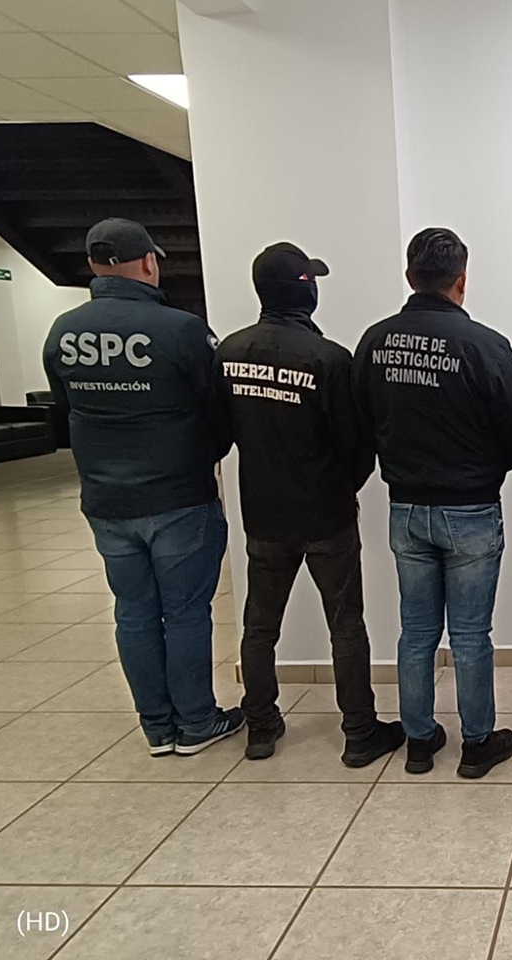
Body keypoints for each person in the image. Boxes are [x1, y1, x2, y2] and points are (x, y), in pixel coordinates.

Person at [42, 218, 239, 756]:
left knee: (132, 611)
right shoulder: (181, 330)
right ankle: (196, 722)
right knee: (185, 612)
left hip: (106, 500)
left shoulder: (63, 332)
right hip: (178, 496)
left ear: (92, 265)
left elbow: (64, 407)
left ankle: (157, 728)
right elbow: (219, 413)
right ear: (150, 262)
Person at [216, 242, 403, 767]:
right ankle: (360, 733)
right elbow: (357, 445)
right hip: (326, 514)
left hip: (263, 514)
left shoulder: (228, 353)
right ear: (305, 291)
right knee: (346, 626)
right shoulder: (330, 359)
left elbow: (220, 434)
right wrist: (345, 488)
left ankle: (260, 727)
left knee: (259, 627)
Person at [353, 228, 512, 779]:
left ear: (409, 277)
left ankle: (419, 742)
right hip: (471, 507)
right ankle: (477, 745)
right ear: (462, 281)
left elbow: (363, 421)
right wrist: (488, 471)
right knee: (470, 634)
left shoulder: (375, 342)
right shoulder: (486, 345)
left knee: (417, 632)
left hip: (405, 507)